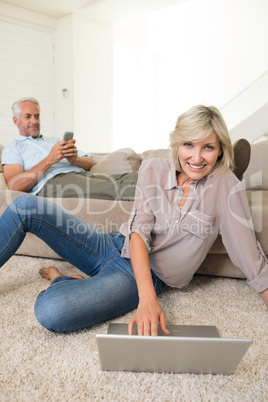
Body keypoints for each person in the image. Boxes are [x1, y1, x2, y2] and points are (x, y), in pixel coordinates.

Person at [0, 105, 266, 336]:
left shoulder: (225, 185)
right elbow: (138, 232)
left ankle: (64, 280)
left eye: (208, 147)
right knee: (24, 205)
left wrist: (147, 291)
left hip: (143, 274)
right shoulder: (153, 168)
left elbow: (248, 256)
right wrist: (148, 300)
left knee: (52, 310)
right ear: (176, 144)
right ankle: (88, 282)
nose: (196, 158)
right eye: (188, 145)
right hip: (113, 243)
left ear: (220, 150)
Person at [1, 97, 137, 199]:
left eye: (37, 116)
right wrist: (49, 159)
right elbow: (14, 185)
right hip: (52, 183)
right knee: (116, 188)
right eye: (28, 117)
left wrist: (74, 159)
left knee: (134, 177)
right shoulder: (13, 148)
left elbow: (89, 163)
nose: (34, 121)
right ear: (16, 120)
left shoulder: (54, 141)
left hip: (81, 175)